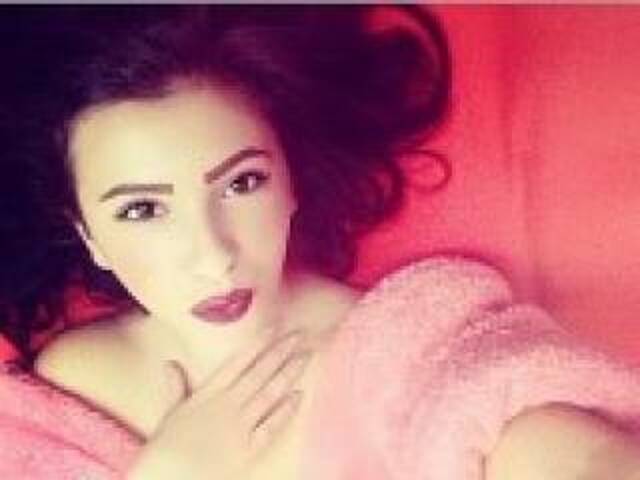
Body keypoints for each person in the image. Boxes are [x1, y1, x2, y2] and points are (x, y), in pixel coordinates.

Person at [1, 5, 640, 479]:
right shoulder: (72, 388)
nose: (214, 256)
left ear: (291, 182)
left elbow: (526, 423)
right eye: (143, 210)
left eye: (243, 183)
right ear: (87, 235)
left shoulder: (412, 345)